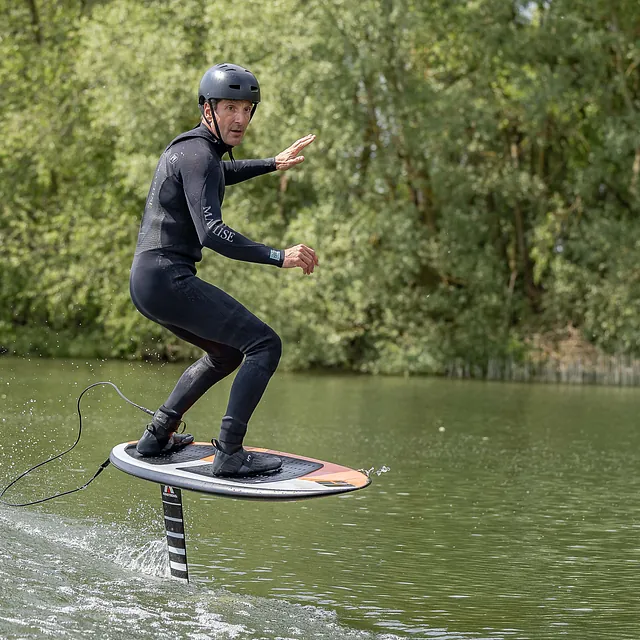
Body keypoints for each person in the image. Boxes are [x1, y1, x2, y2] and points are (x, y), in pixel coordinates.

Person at [129, 62, 318, 477]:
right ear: (207, 109)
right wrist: (277, 255)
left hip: (149, 280)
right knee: (264, 344)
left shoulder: (192, 150)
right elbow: (212, 233)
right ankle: (229, 453)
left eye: (247, 109)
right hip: (167, 277)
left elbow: (221, 172)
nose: (240, 118)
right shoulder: (200, 156)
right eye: (230, 107)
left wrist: (272, 162)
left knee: (227, 351)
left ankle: (158, 434)